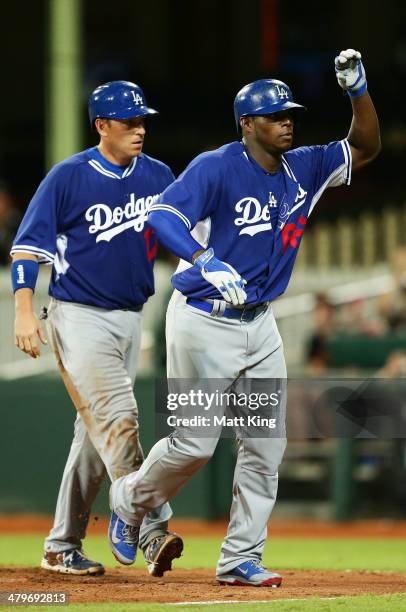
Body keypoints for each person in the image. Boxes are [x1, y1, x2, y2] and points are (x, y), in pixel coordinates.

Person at [108, 49, 381, 586]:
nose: (287, 123)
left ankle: (239, 558)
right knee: (194, 444)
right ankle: (127, 498)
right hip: (203, 319)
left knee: (264, 444)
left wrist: (358, 92)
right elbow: (162, 216)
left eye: (291, 115)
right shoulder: (216, 165)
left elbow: (366, 147)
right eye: (276, 116)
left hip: (261, 326)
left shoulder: (304, 166)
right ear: (247, 124)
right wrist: (204, 259)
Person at [10, 81, 183, 577]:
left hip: (131, 318)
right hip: (78, 317)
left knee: (94, 436)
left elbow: (183, 232)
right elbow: (27, 249)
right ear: (101, 125)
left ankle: (61, 545)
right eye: (129, 122)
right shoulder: (68, 176)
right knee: (120, 416)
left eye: (143, 121)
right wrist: (24, 311)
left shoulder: (157, 175)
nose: (140, 129)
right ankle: (150, 528)